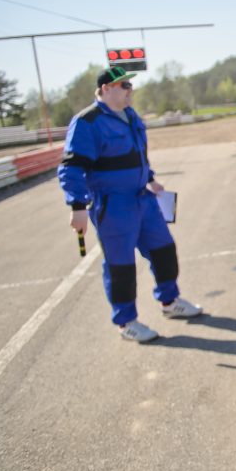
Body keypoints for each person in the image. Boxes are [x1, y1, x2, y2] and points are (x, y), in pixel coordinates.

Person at [58, 66, 202, 343]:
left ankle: (170, 302)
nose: (129, 91)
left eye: (130, 86)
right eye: (123, 86)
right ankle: (126, 322)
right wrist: (77, 205)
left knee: (164, 251)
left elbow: (136, 155)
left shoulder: (130, 116)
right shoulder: (88, 121)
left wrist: (150, 179)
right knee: (120, 266)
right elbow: (72, 167)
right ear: (105, 89)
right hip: (113, 205)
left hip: (142, 199)